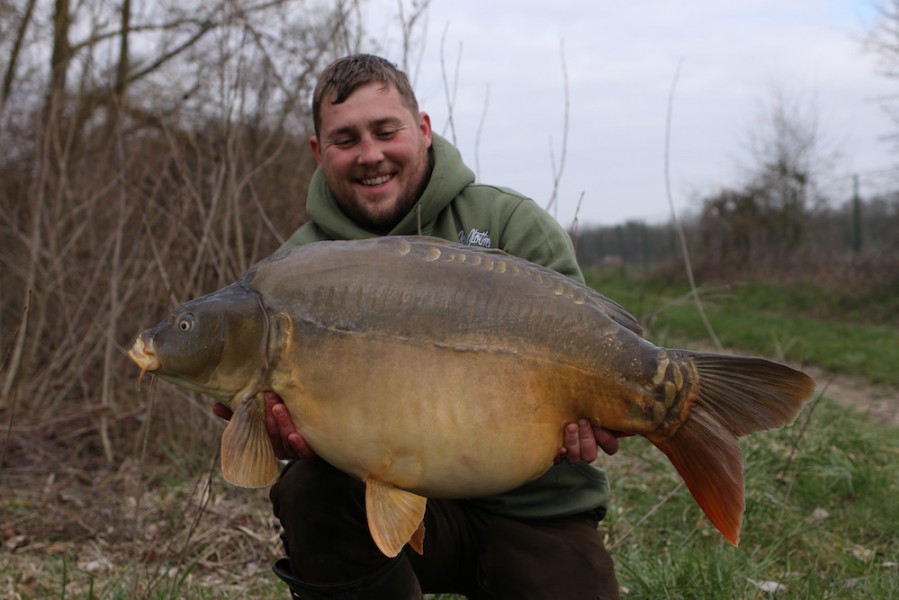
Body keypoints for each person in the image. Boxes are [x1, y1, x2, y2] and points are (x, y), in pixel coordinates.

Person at [215, 53, 621, 599]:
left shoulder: (509, 224)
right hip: (384, 515)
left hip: (535, 509)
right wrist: (281, 433)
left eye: (386, 131)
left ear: (423, 130)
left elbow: (596, 348)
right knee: (310, 490)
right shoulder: (293, 271)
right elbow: (283, 427)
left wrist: (593, 412)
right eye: (345, 139)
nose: (370, 154)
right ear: (318, 152)